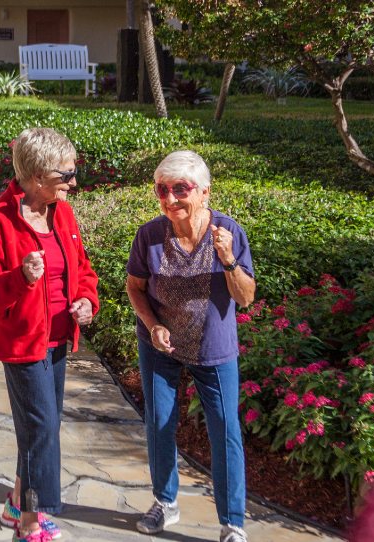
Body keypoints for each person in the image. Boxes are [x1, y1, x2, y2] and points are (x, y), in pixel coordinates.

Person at [0, 127, 99, 542]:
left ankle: (14, 501)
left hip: (58, 338)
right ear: (38, 176)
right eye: (66, 175)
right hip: (22, 343)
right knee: (40, 428)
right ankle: (29, 522)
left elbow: (84, 271)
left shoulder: (63, 214)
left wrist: (86, 302)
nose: (73, 182)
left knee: (42, 427)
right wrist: (20, 277)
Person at [125, 150, 255, 542]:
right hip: (160, 344)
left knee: (225, 430)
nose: (170, 199)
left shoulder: (227, 232)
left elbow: (246, 298)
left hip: (212, 347)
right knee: (159, 423)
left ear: (204, 193)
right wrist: (152, 325)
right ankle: (165, 503)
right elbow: (134, 288)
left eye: (180, 189)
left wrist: (229, 259)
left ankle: (233, 523)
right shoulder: (149, 235)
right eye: (162, 190)